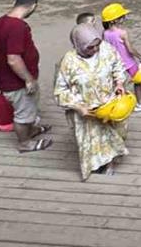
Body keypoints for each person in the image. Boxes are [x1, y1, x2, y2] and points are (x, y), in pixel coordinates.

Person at [53, 22, 130, 179]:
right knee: (93, 141)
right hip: (87, 111)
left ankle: (110, 164)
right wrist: (78, 107)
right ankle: (97, 165)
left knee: (113, 136)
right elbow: (60, 91)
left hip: (110, 105)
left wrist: (119, 83)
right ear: (79, 45)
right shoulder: (68, 62)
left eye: (97, 45)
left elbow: (118, 67)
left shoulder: (107, 49)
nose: (95, 50)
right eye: (90, 47)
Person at [0, 0, 51, 152]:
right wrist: (28, 79)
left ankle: (31, 131)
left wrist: (1, 53)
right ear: (33, 6)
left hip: (5, 78)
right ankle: (25, 143)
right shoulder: (18, 27)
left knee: (27, 109)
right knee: (23, 114)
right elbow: (13, 59)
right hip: (17, 82)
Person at [101, 3, 141, 112]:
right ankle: (140, 103)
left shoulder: (105, 33)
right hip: (129, 62)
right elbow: (130, 49)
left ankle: (121, 105)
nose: (124, 18)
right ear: (114, 20)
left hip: (114, 63)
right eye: (122, 16)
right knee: (137, 81)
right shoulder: (122, 33)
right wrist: (140, 57)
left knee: (118, 83)